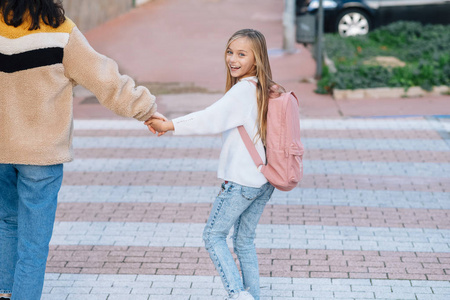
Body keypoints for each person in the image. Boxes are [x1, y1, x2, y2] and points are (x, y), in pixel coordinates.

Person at [0, 1, 165, 299]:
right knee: (33, 246)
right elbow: (105, 78)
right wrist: (146, 110)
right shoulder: (60, 32)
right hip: (41, 156)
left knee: (6, 224)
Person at [147, 29, 285, 300]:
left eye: (242, 54)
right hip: (264, 179)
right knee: (244, 241)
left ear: (256, 59)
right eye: (230, 52)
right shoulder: (264, 87)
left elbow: (211, 118)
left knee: (213, 236)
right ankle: (252, 296)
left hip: (242, 182)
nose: (232, 59)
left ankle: (238, 294)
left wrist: (171, 124)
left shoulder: (243, 91)